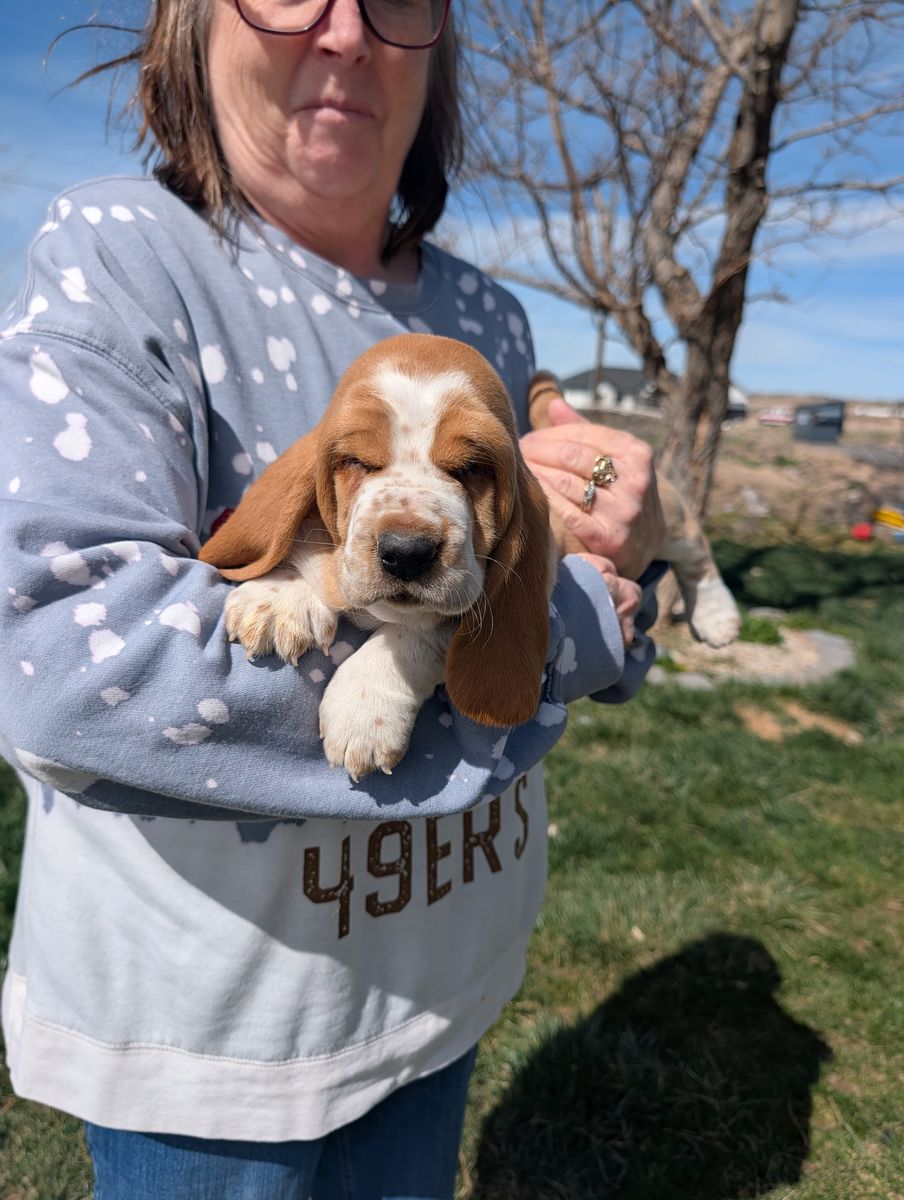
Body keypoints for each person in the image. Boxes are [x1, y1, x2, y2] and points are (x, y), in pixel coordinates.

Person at [0, 0, 666, 1195]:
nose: (347, 34)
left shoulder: (490, 318)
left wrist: (635, 564)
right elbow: (58, 669)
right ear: (189, 26)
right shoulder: (123, 249)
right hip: (215, 1033)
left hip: (445, 973)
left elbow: (605, 642)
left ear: (439, 49)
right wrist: (566, 624)